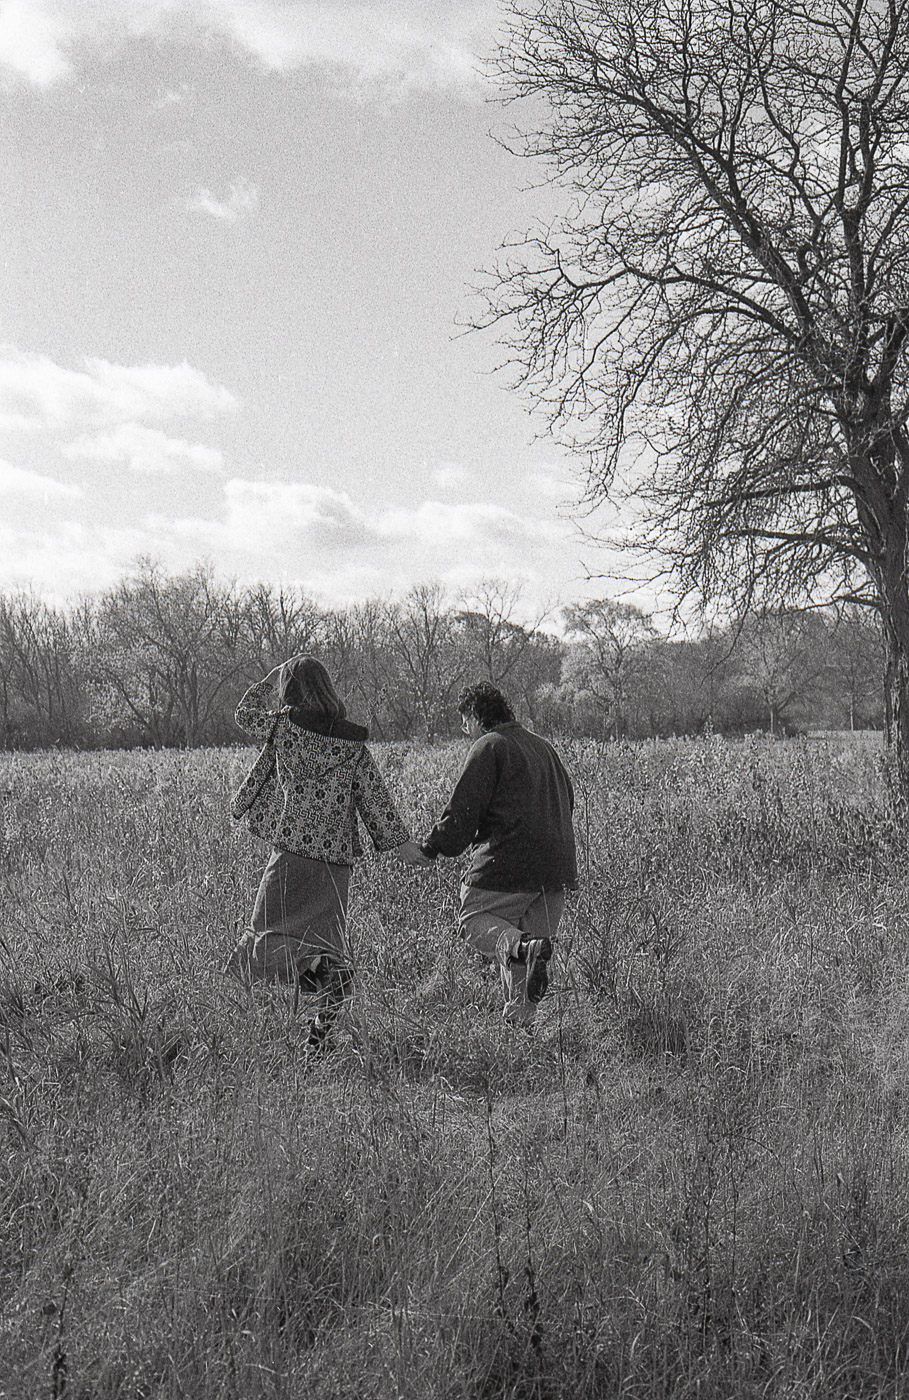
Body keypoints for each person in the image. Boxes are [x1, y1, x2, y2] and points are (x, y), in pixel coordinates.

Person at [228, 655, 411, 1050]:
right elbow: (376, 801)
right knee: (325, 950)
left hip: (291, 855)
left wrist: (270, 679)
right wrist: (407, 846)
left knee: (262, 945)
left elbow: (245, 714)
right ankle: (319, 1038)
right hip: (335, 867)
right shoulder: (352, 743)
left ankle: (317, 983)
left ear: (290, 690)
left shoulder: (283, 727)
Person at [398, 681, 577, 1029]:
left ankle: (523, 948)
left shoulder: (490, 745)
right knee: (525, 956)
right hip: (557, 872)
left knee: (474, 921)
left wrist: (433, 847)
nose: (464, 729)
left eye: (465, 721)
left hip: (509, 867)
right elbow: (567, 801)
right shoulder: (544, 748)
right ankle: (521, 1031)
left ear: (477, 716)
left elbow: (463, 810)